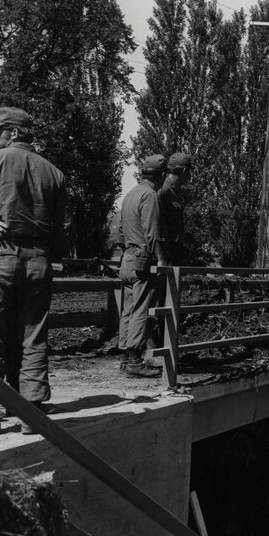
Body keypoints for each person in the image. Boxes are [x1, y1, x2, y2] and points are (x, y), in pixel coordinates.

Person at [0, 107, 72, 434]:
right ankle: (31, 414)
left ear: (12, 132)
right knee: (33, 336)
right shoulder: (54, 173)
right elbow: (65, 227)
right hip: (39, 260)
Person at [118, 154, 169, 378]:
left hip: (127, 258)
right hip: (141, 259)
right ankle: (135, 363)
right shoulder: (150, 195)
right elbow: (152, 232)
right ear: (162, 175)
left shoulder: (130, 194)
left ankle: (124, 359)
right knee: (140, 310)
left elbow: (120, 230)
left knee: (127, 310)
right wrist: (161, 258)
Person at [158, 152, 191, 265]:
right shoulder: (163, 190)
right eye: (189, 172)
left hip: (171, 254)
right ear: (185, 171)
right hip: (164, 255)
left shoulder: (172, 191)